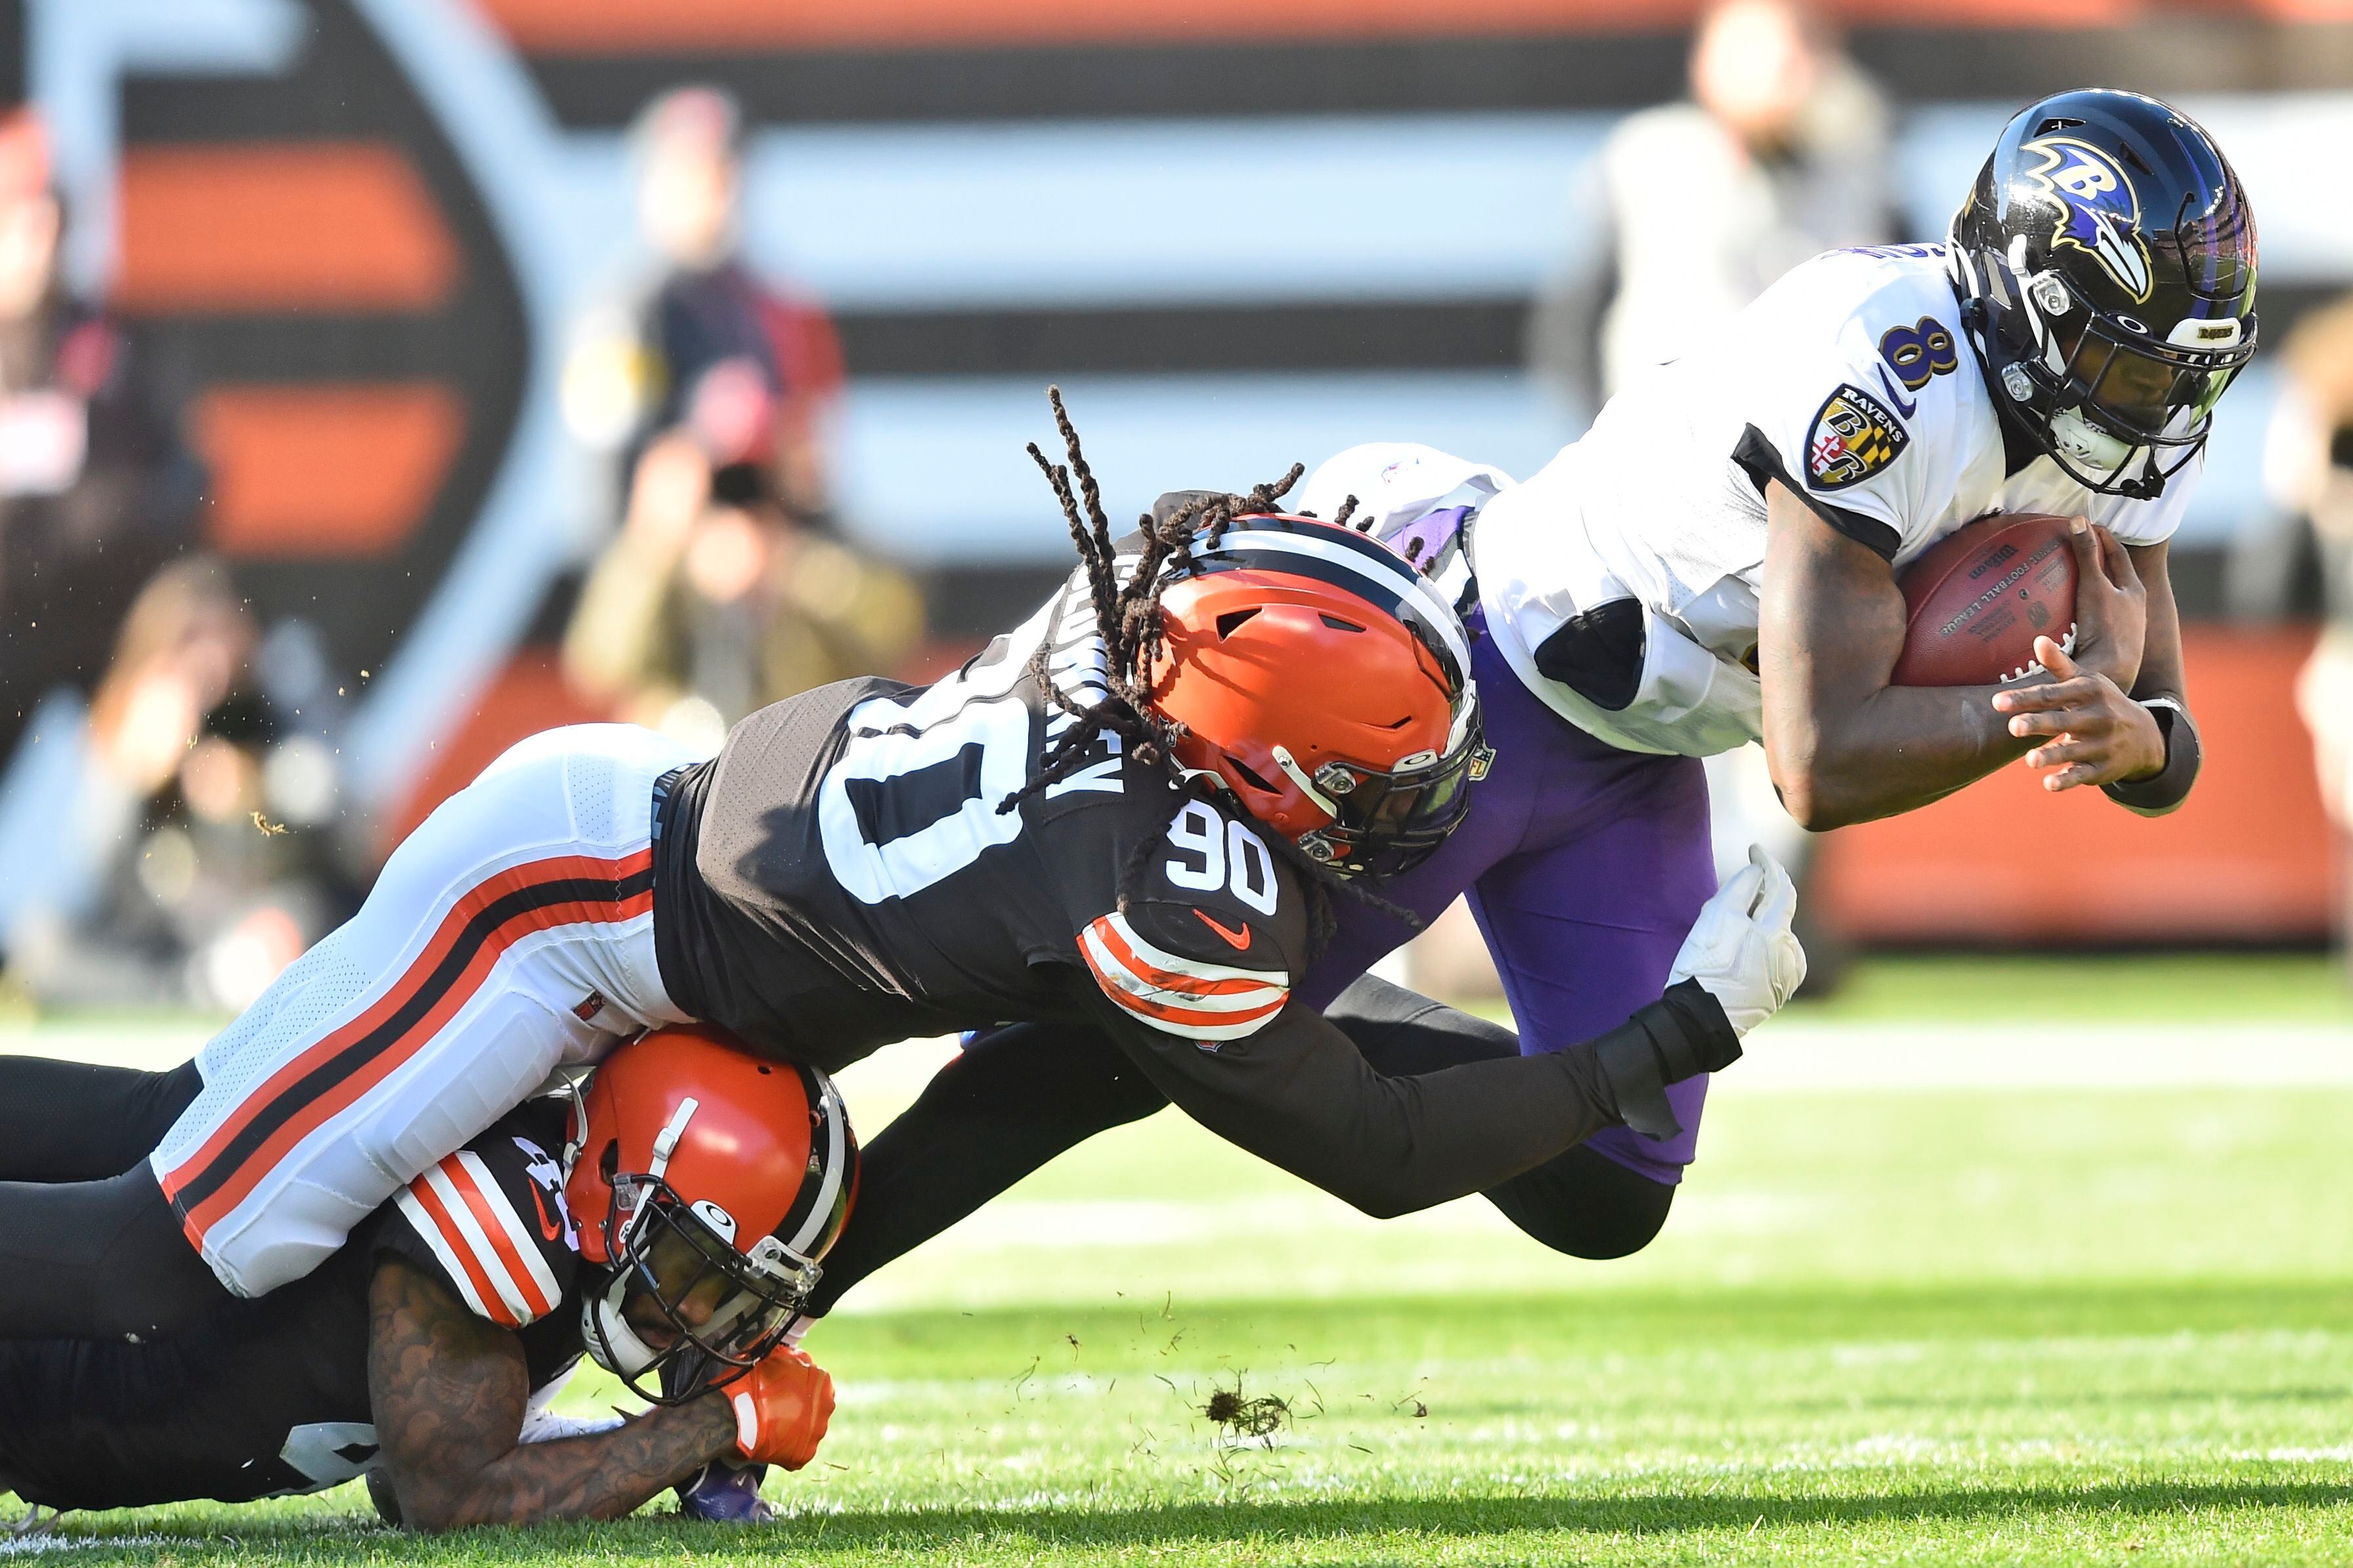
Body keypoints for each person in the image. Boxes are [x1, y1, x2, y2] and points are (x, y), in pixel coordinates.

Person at [785, 87, 2256, 1318]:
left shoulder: (2119, 424)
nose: (2155, 409)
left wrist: (2133, 733)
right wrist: (2051, 713)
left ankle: (1309, 991)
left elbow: (2159, 737)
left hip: (1642, 749)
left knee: (1608, 1190)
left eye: (2184, 367)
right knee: (1122, 1043)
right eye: (2132, 358)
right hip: (1493, 679)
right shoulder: (1885, 370)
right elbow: (1815, 763)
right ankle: (771, 1291)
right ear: (2028, 307)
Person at [0, 391, 1803, 1344]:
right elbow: (1384, 1148)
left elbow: (1070, 1080)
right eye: (1384, 770)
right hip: (558, 922)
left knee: (194, 1106)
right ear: (1265, 757)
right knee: (191, 1252)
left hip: (621, 834)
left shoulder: (1131, 661)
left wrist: (823, 1263)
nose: (1415, 806)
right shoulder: (1172, 893)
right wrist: (1679, 1033)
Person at [0, 1027, 847, 1531]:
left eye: (733, 1295)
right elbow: (446, 1496)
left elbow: (414, 1461)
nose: (699, 1312)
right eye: (689, 1265)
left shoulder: (572, 1238)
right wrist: (715, 1422)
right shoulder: (508, 1209)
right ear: (619, 1175)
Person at [560, 85, 918, 744]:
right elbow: (615, 504)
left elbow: (819, 483)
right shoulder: (626, 316)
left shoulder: (778, 313)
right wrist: (683, 531)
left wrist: (776, 531)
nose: (714, 189)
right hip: (669, 594)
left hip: (779, 589)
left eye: (725, 170)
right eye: (693, 170)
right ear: (653, 182)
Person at [0, 107, 205, 772]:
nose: (29, 237)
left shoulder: (110, 350)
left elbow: (180, 484)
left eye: (39, 215)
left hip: (99, 651)